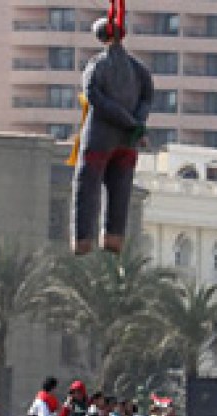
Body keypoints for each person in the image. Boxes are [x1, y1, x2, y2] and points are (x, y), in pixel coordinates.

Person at [71, 9, 153, 255]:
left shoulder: (97, 65)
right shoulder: (139, 69)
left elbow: (94, 96)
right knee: (121, 187)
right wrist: (135, 124)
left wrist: (129, 122)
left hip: (99, 139)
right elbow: (147, 99)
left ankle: (83, 238)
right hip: (127, 142)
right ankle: (114, 236)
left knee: (87, 184)